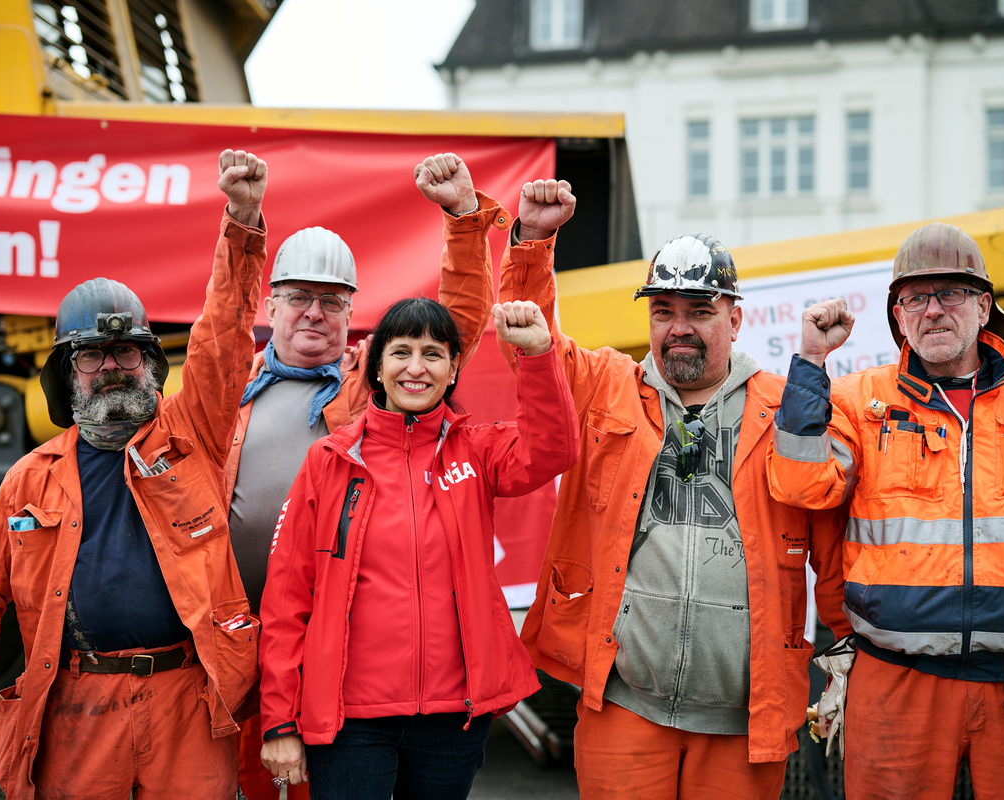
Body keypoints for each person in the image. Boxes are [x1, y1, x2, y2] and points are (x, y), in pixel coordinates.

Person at [494, 180, 845, 799]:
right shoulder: (605, 385)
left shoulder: (783, 409)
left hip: (741, 718)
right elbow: (530, 340)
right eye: (664, 311)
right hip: (624, 705)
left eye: (699, 310)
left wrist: (845, 651)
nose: (678, 327)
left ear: (735, 319)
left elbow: (833, 540)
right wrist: (532, 240)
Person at [0, 149, 269, 799]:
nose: (111, 368)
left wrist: (241, 221)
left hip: (188, 698)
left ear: (149, 363)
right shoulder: (29, 478)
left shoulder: (194, 436)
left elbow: (223, 336)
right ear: (68, 375)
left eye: (124, 351)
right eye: (92, 356)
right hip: (76, 701)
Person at [767, 222, 1004, 799]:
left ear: (984, 306)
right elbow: (799, 485)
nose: (933, 310)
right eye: (916, 298)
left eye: (952, 294)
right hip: (896, 683)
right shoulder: (857, 403)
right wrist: (811, 359)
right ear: (898, 316)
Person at [223, 152, 508, 799]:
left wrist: (465, 220)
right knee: (248, 781)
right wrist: (240, 218)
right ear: (274, 302)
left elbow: (455, 328)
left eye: (331, 301)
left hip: (332, 635)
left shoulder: (371, 389)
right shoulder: (231, 392)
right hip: (239, 632)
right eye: (300, 298)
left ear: (353, 309)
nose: (315, 314)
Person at [256, 294, 577, 798]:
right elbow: (286, 599)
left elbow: (553, 448)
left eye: (433, 354)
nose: (416, 367)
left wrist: (537, 356)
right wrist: (279, 721)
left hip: (452, 721)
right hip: (350, 722)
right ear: (378, 368)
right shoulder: (329, 460)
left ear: (452, 371)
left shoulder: (476, 449)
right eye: (401, 351)